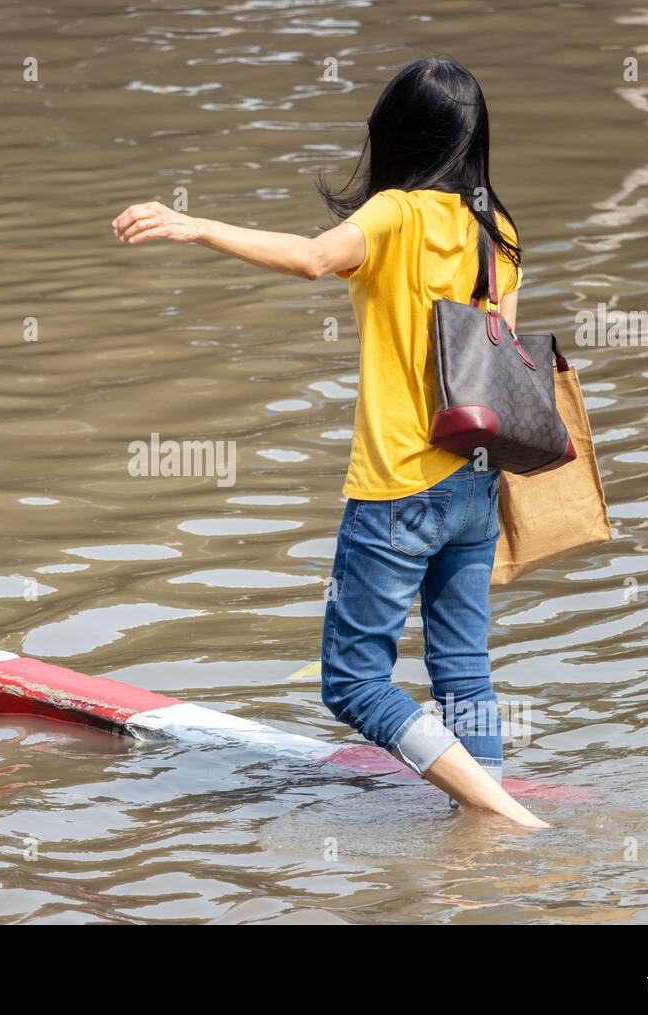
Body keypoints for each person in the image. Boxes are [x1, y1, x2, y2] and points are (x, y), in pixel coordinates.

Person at [111, 57, 548, 828]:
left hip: (397, 485)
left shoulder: (393, 216)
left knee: (351, 682)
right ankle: (483, 819)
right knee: (463, 671)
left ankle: (505, 816)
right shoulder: (498, 233)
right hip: (476, 484)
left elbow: (313, 259)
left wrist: (195, 225)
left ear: (398, 135)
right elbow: (502, 360)